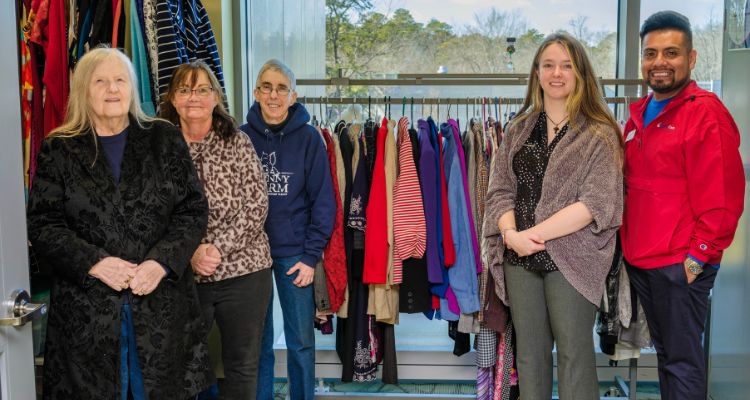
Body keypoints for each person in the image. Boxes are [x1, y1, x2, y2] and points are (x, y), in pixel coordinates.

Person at [26, 48, 211, 399]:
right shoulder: (59, 148)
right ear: (83, 89)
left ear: (132, 87)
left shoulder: (164, 138)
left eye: (120, 80)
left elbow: (192, 210)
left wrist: (161, 263)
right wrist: (93, 263)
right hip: (86, 316)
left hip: (161, 308)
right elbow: (43, 224)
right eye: (101, 81)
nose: (112, 89)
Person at [483, 33, 623, 399]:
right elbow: (499, 192)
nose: (556, 73)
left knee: (575, 356)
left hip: (573, 259)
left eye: (566, 65)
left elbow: (596, 203)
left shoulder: (600, 133)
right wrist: (511, 235)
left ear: (580, 73)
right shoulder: (517, 129)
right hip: (518, 259)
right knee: (530, 358)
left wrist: (530, 236)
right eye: (548, 65)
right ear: (537, 72)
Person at [620, 11, 745, 400]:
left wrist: (698, 258)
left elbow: (724, 199)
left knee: (682, 362)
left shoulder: (706, 113)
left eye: (671, 53)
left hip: (679, 265)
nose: (659, 62)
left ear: (691, 59)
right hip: (643, 261)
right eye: (651, 53)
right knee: (667, 357)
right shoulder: (638, 116)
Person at [160, 61, 273, 399]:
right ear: (173, 100)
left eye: (202, 89)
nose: (194, 97)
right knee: (181, 364)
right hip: (184, 274)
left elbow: (256, 205)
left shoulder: (237, 142)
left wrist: (216, 248)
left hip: (245, 272)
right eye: (185, 89)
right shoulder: (160, 147)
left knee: (242, 365)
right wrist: (191, 252)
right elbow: (153, 211)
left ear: (215, 98)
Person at [240, 59, 335, 400]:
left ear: (293, 96)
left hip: (296, 255)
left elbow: (324, 202)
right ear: (256, 92)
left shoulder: (310, 139)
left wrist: (311, 257)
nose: (274, 95)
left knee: (300, 343)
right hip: (251, 257)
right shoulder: (241, 137)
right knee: (258, 344)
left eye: (282, 88)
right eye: (267, 87)